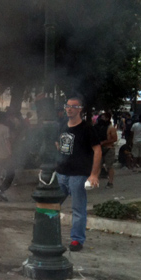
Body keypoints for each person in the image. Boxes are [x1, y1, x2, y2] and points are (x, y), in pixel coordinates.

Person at [56, 96, 101, 252]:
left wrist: (94, 174)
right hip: (61, 173)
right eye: (67, 106)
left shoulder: (87, 128)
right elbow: (57, 143)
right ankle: (51, 235)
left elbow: (97, 150)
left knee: (78, 208)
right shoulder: (62, 125)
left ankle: (77, 240)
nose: (69, 109)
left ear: (80, 109)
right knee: (52, 205)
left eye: (73, 106)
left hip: (79, 174)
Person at [97, 112, 118, 188]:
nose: (101, 119)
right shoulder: (100, 127)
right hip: (100, 149)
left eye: (103, 117)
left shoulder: (111, 128)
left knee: (109, 166)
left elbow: (115, 139)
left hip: (109, 149)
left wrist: (104, 142)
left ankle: (110, 182)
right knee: (98, 165)